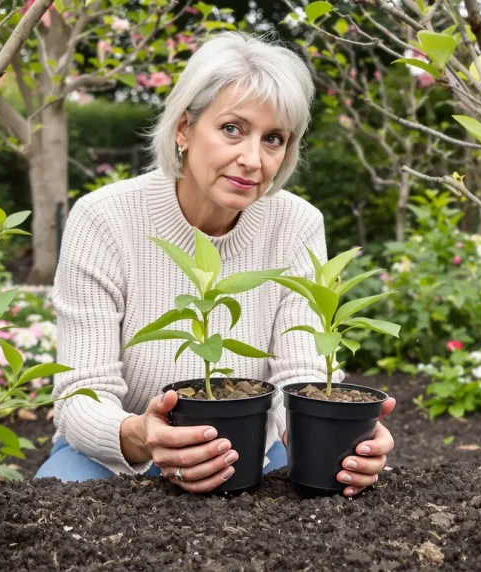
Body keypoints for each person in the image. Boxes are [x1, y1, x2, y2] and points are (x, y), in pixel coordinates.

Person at [34, 31, 396, 496]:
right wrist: (144, 436)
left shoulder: (297, 223)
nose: (252, 159)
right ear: (184, 128)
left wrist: (340, 440)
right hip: (115, 459)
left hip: (251, 454)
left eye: (274, 139)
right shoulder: (104, 219)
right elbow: (81, 393)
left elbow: (300, 372)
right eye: (232, 129)